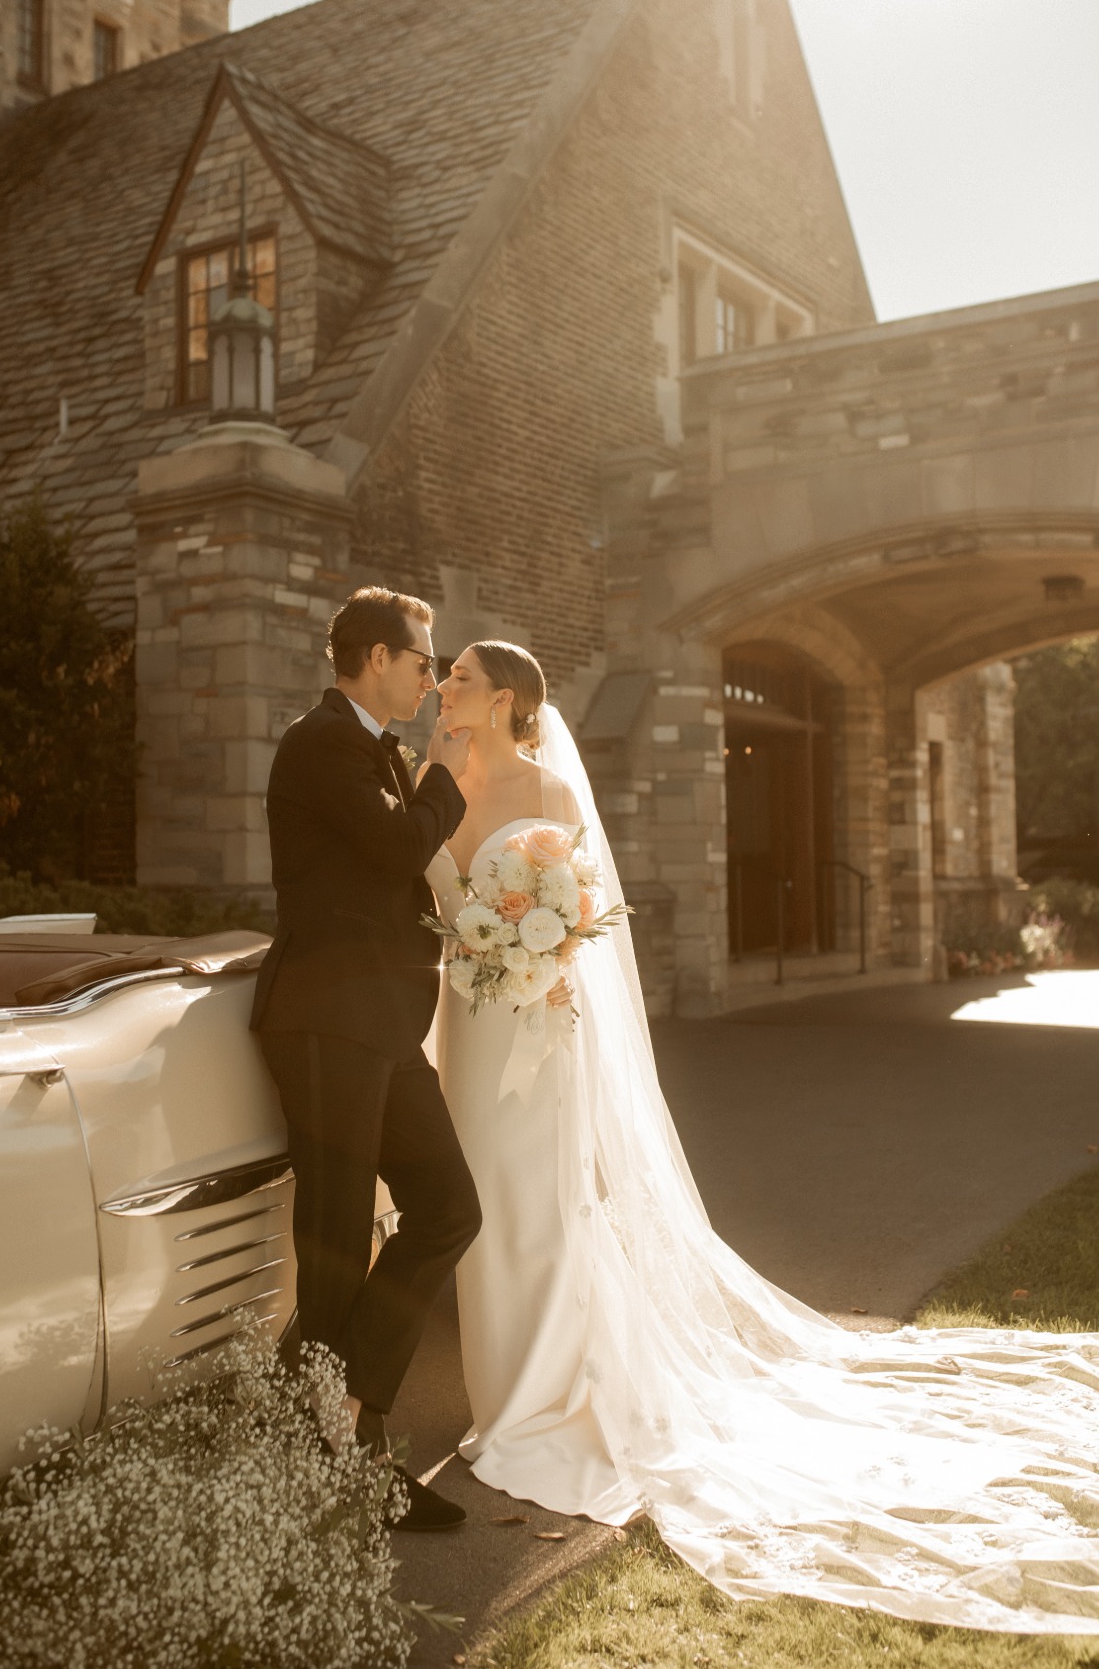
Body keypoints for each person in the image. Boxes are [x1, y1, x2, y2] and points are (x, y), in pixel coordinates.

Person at [425, 638, 1099, 1631]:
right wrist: (473, 922)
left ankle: (540, 1392)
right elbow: (421, 880)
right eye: (444, 675)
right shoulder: (434, 775)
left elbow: (579, 913)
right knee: (477, 1196)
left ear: (510, 698)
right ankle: (501, 1384)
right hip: (468, 1019)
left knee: (534, 1198)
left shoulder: (547, 784)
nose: (447, 687)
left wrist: (536, 955)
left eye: (464, 679)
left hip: (532, 1022)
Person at [251, 586, 481, 1533]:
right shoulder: (319, 744)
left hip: (383, 1024)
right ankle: (347, 1463)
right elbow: (392, 849)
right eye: (424, 661)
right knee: (338, 1238)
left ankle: (344, 1412)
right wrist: (443, 779)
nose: (432, 678)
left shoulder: (372, 749)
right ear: (377, 658)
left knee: (447, 1208)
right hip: (325, 1020)